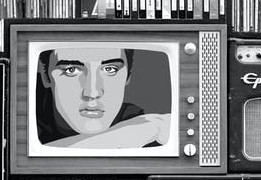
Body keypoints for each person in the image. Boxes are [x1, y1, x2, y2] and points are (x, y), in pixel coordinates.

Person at [35, 46, 171, 149]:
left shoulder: (133, 118)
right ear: (46, 76)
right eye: (71, 70)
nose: (92, 93)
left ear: (128, 76)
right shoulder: (27, 112)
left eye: (110, 69)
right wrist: (131, 134)